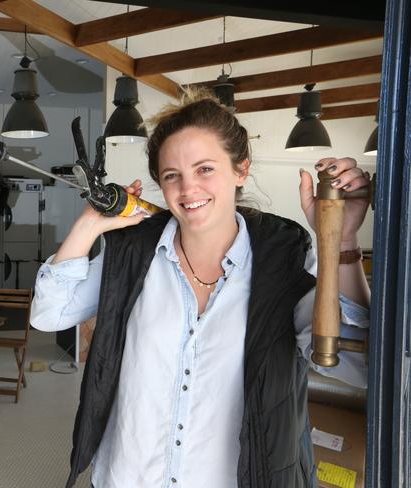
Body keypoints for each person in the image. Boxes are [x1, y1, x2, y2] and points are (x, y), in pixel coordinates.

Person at [30, 88, 370, 488]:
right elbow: (48, 315)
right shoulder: (135, 253)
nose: (188, 189)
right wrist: (88, 224)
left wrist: (342, 241)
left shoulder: (285, 260)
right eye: (172, 175)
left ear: (240, 170)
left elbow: (358, 366)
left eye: (205, 169)